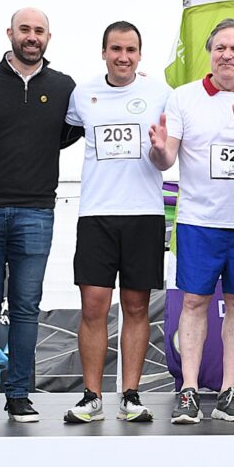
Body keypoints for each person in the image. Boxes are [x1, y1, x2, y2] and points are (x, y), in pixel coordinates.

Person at [149, 18, 234, 424]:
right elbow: (166, 158)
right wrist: (156, 151)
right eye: (220, 47)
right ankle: (188, 390)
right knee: (193, 302)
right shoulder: (183, 98)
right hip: (197, 221)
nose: (227, 54)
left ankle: (229, 392)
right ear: (211, 54)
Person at [0, 8, 80, 422]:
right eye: (25, 30)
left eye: (39, 31)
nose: (32, 37)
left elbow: (82, 126)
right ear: (10, 33)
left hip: (36, 211)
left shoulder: (64, 87)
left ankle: (18, 395)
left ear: (49, 36)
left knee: (26, 307)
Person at [59, 21, 170, 423]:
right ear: (103, 52)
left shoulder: (160, 94)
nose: (123, 57)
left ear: (140, 55)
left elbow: (168, 156)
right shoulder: (82, 95)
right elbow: (58, 131)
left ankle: (131, 395)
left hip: (144, 214)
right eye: (116, 49)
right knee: (93, 307)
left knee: (137, 306)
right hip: (96, 215)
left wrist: (159, 151)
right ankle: (91, 396)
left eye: (131, 50)